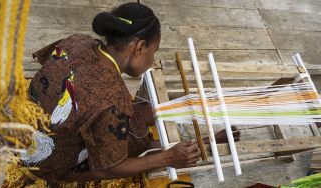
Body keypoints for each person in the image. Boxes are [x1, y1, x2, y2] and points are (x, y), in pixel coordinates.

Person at [23, 2, 240, 183]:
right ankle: (197, 144)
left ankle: (198, 135)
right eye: (153, 52)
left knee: (129, 116)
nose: (152, 60)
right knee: (133, 142)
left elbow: (68, 81)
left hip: (27, 123)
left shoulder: (78, 41)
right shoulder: (113, 101)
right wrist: (166, 159)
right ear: (139, 47)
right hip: (47, 161)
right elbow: (108, 168)